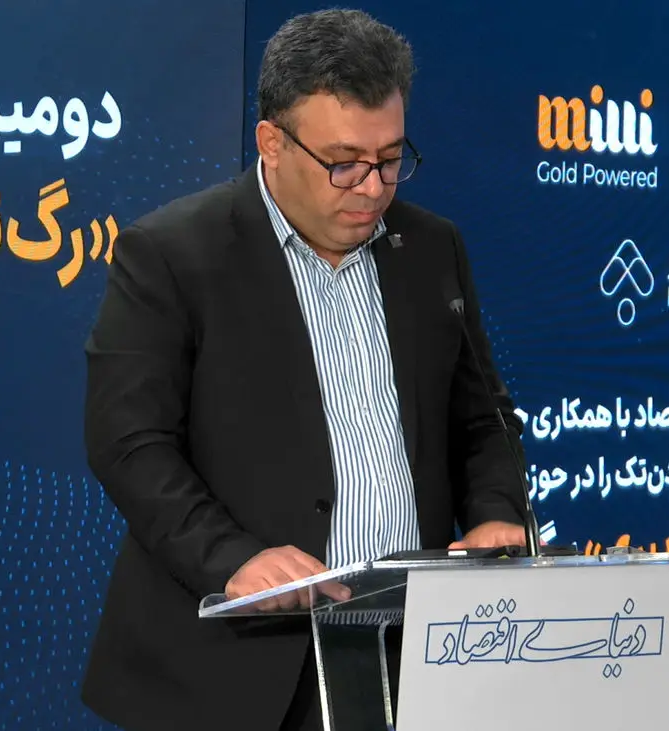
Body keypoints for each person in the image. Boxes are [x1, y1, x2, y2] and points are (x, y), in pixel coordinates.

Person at [80, 8, 532, 731]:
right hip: (236, 670)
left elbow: (484, 418)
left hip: (409, 657)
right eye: (343, 163)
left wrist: (496, 512)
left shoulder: (432, 248)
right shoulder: (172, 254)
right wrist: (231, 558)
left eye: (391, 159)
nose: (372, 188)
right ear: (272, 143)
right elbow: (129, 442)